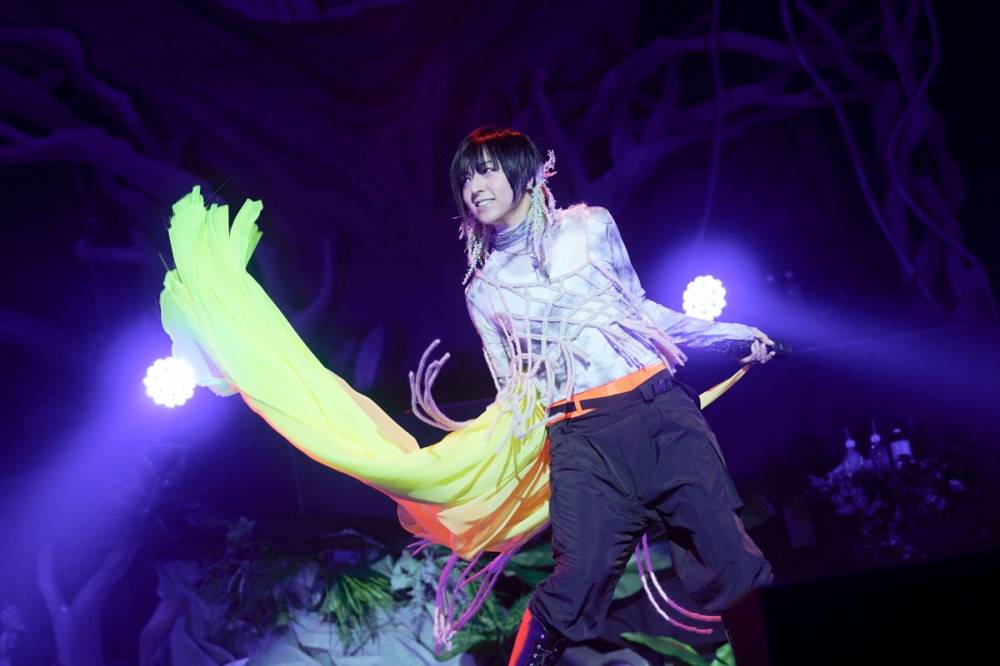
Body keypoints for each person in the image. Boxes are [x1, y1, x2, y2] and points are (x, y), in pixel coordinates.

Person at [450, 126, 775, 665]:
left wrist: (730, 334)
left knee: (730, 562)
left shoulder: (590, 227)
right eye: (465, 179)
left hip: (659, 415)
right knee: (573, 586)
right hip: (580, 443)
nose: (474, 187)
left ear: (524, 172)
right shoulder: (483, 287)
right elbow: (513, 391)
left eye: (486, 171)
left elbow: (639, 310)